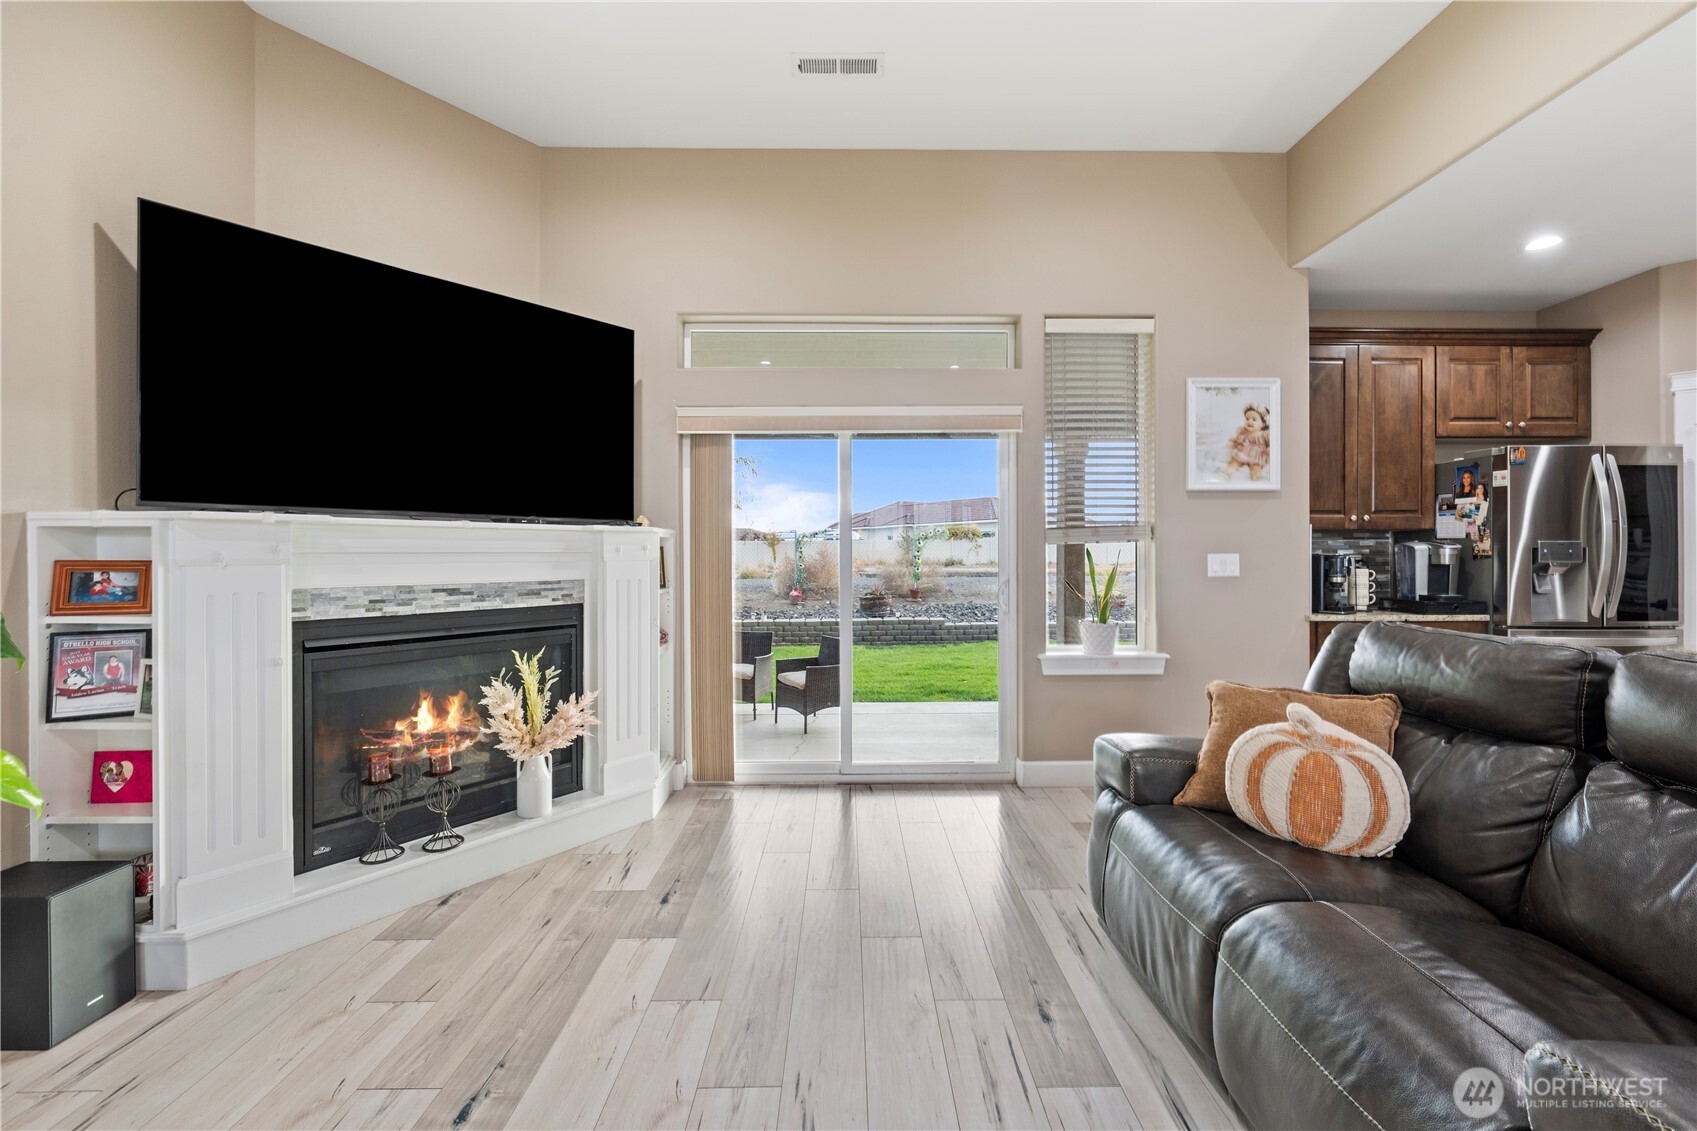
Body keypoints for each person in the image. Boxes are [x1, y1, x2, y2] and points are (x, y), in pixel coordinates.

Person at [1223, 404, 1272, 481]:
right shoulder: (1243, 431)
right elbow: (1239, 439)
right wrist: (1235, 439)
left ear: (1263, 424)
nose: (1249, 421)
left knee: (1256, 466)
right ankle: (1227, 474)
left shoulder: (1264, 434)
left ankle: (1256, 478)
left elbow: (1270, 443)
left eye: (1254, 419)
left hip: (1257, 454)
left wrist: (1269, 448)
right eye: (1247, 418)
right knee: (1235, 461)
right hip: (1243, 451)